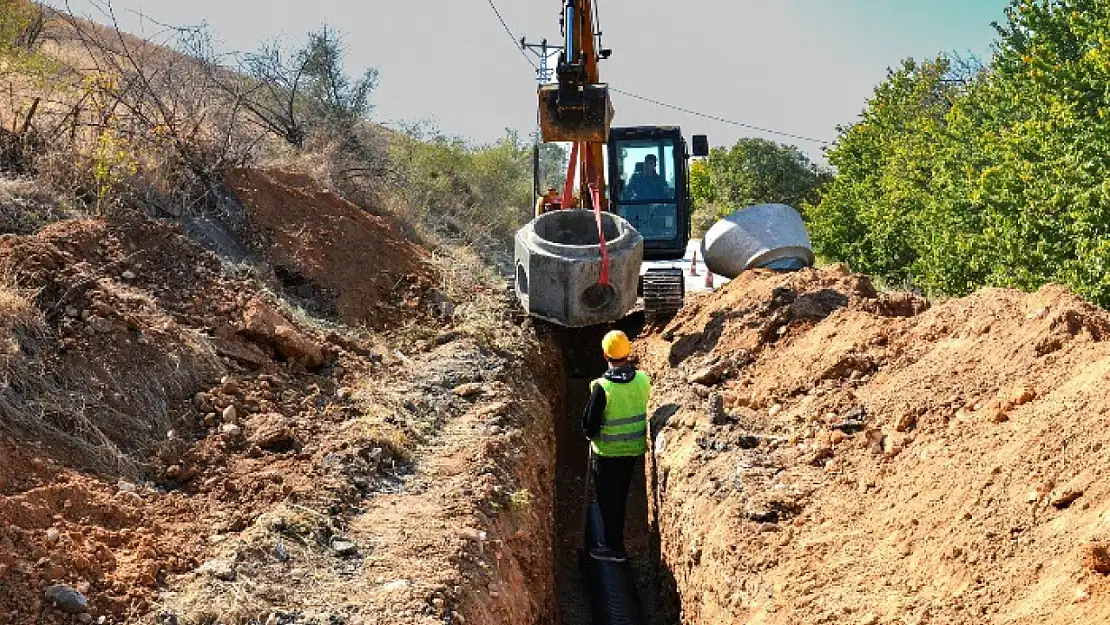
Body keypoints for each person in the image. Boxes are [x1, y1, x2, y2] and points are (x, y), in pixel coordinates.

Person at [581, 330, 651, 563]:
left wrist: (590, 434)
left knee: (609, 500)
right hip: (633, 449)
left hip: (608, 453)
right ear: (628, 353)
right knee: (620, 494)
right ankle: (614, 540)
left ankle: (613, 548)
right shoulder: (642, 379)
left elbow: (590, 424)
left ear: (604, 355)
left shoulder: (602, 387)